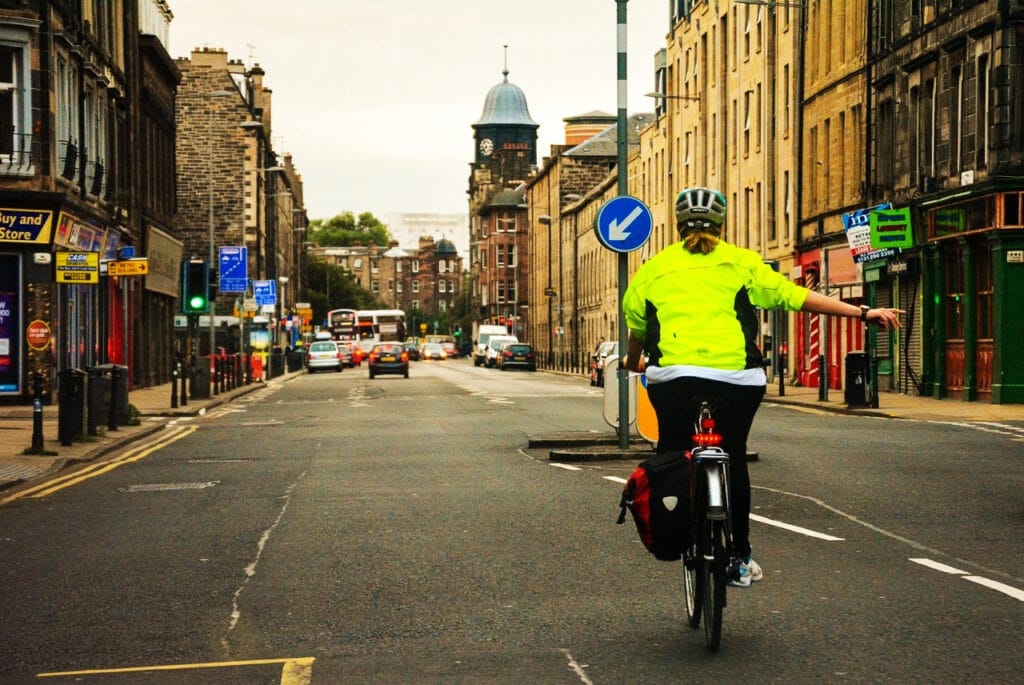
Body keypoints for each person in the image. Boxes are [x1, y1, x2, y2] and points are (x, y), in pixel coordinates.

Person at [622, 187, 903, 587]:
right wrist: (862, 311)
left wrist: (634, 362)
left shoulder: (653, 268)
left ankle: (681, 532)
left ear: (677, 225)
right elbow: (796, 297)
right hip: (739, 379)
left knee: (673, 455)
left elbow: (637, 327)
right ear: (722, 224)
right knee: (732, 456)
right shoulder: (742, 262)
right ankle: (739, 556)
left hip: (674, 378)